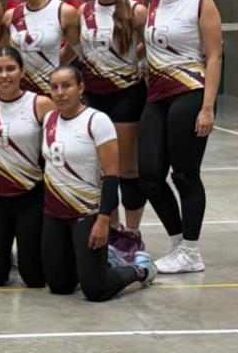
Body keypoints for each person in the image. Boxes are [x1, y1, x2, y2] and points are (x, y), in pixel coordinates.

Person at [139, 0, 222, 274]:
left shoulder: (201, 0)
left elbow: (214, 56)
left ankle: (190, 250)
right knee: (148, 175)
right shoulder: (153, 3)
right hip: (156, 95)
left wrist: (208, 108)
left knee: (185, 174)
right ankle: (178, 245)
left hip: (189, 91)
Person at [41, 65, 156, 301]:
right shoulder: (49, 119)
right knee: (59, 286)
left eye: (67, 86)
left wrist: (104, 221)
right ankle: (100, 259)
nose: (60, 92)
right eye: (54, 87)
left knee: (95, 290)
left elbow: (112, 176)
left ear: (81, 88)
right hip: (55, 215)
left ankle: (140, 269)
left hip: (87, 214)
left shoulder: (97, 120)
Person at [79, 0, 149, 262]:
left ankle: (133, 234)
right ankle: (116, 229)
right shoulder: (83, 11)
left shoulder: (136, 10)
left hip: (126, 94)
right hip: (94, 97)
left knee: (127, 169)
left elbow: (153, 45)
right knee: (106, 170)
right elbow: (74, 47)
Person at [0, 47, 54, 287]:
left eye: (10, 68)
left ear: (22, 71)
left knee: (35, 279)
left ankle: (27, 253)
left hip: (30, 196)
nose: (4, 75)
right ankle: (3, 249)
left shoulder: (40, 104)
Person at [0, 0, 80, 97]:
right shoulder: (10, 16)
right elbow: (5, 55)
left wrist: (53, 64)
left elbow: (76, 48)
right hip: (20, 92)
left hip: (52, 90)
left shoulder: (64, 11)